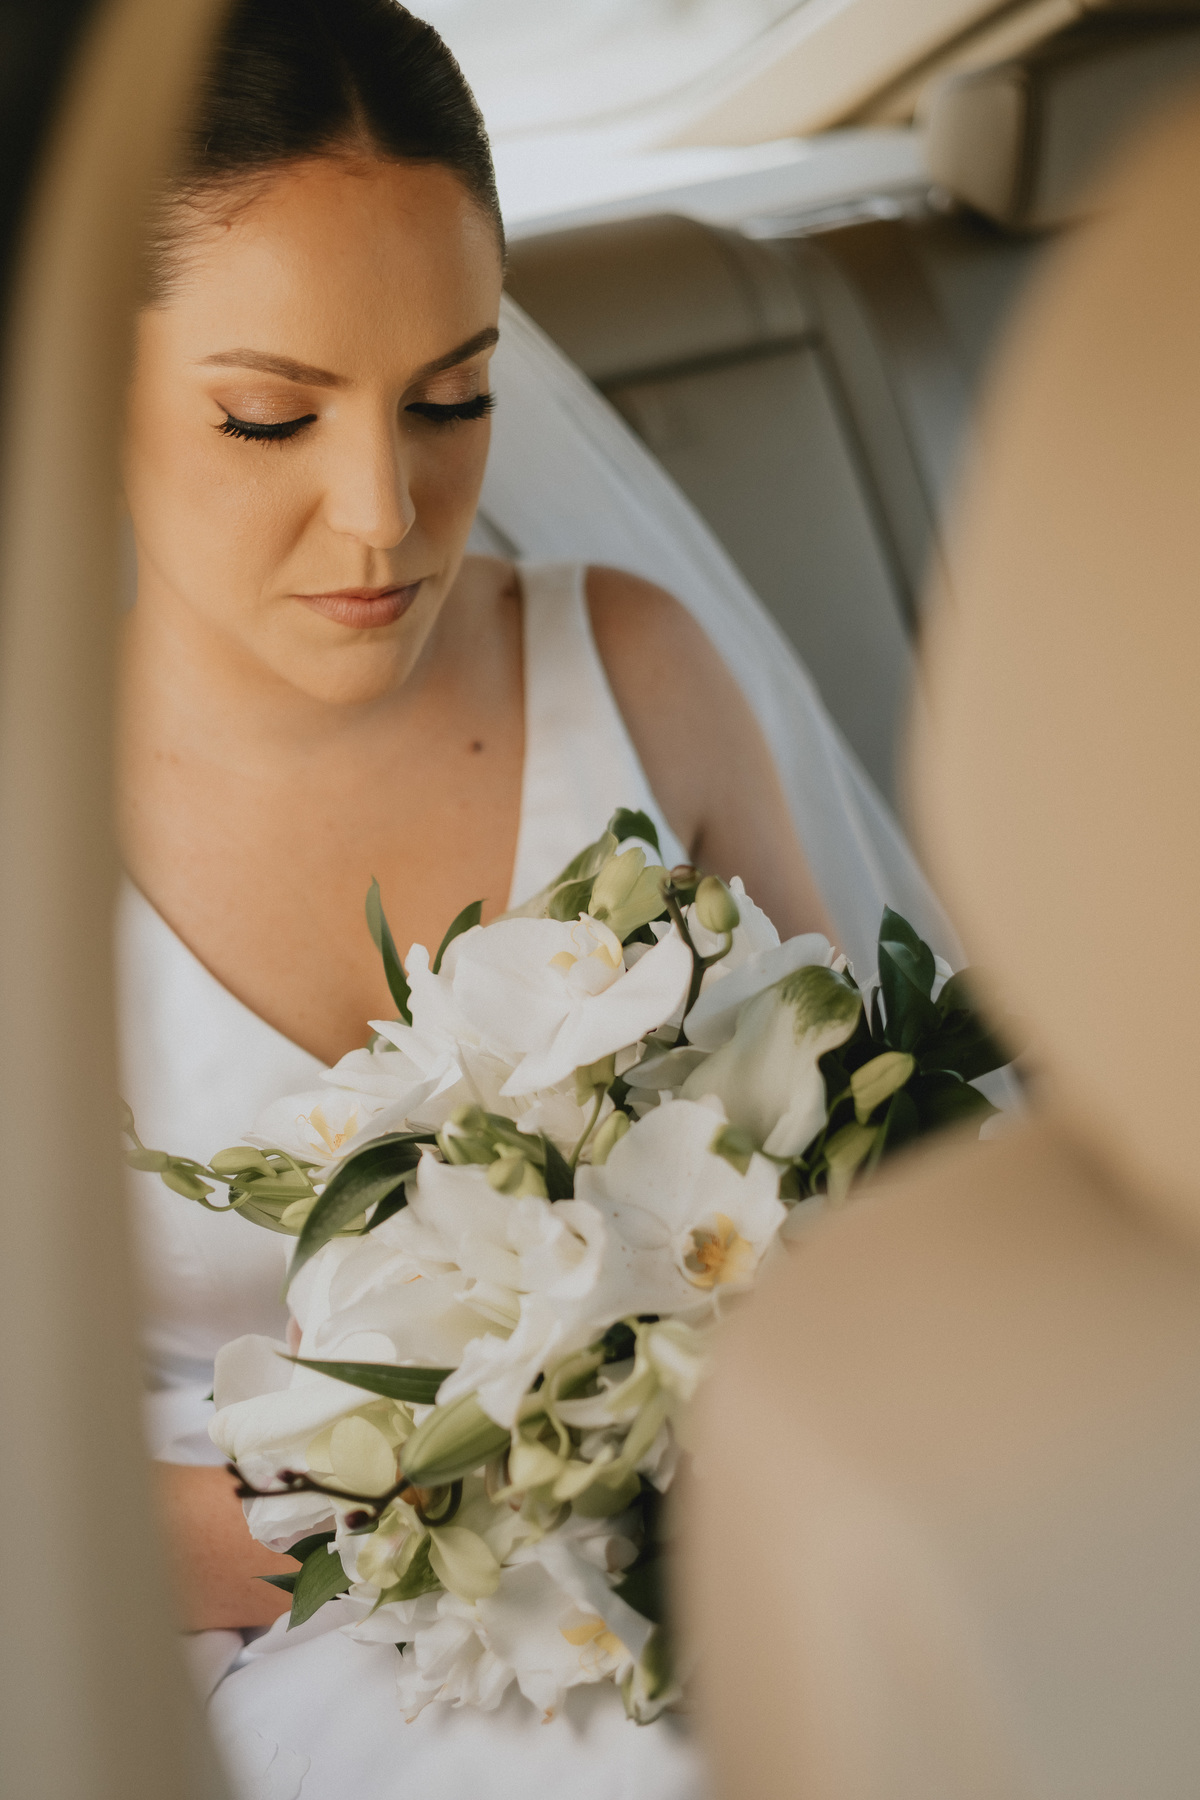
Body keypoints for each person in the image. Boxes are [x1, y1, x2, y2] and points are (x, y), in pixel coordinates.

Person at [119, 2, 836, 1794]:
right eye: (268, 418)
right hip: (231, 1636)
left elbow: (853, 1173)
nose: (385, 512)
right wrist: (467, 1503)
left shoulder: (637, 670)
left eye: (452, 399)